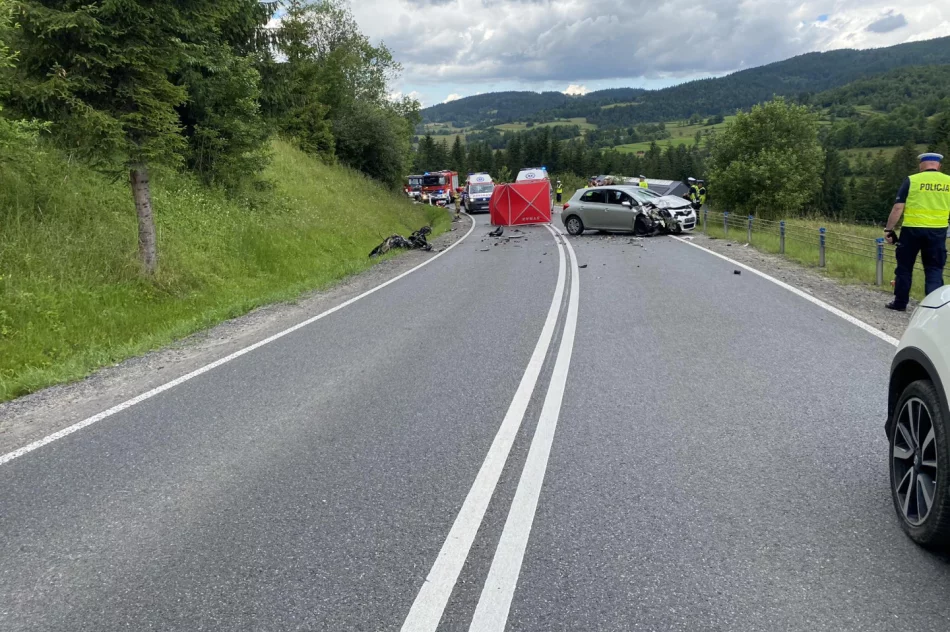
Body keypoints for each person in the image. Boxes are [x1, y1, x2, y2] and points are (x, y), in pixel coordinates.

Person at [883, 153, 950, 311]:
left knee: (905, 268)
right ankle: (933, 310)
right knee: (934, 269)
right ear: (938, 165)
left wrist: (889, 229)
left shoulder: (912, 180)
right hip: (937, 232)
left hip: (911, 231)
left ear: (921, 165)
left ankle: (900, 303)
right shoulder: (948, 182)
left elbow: (898, 207)